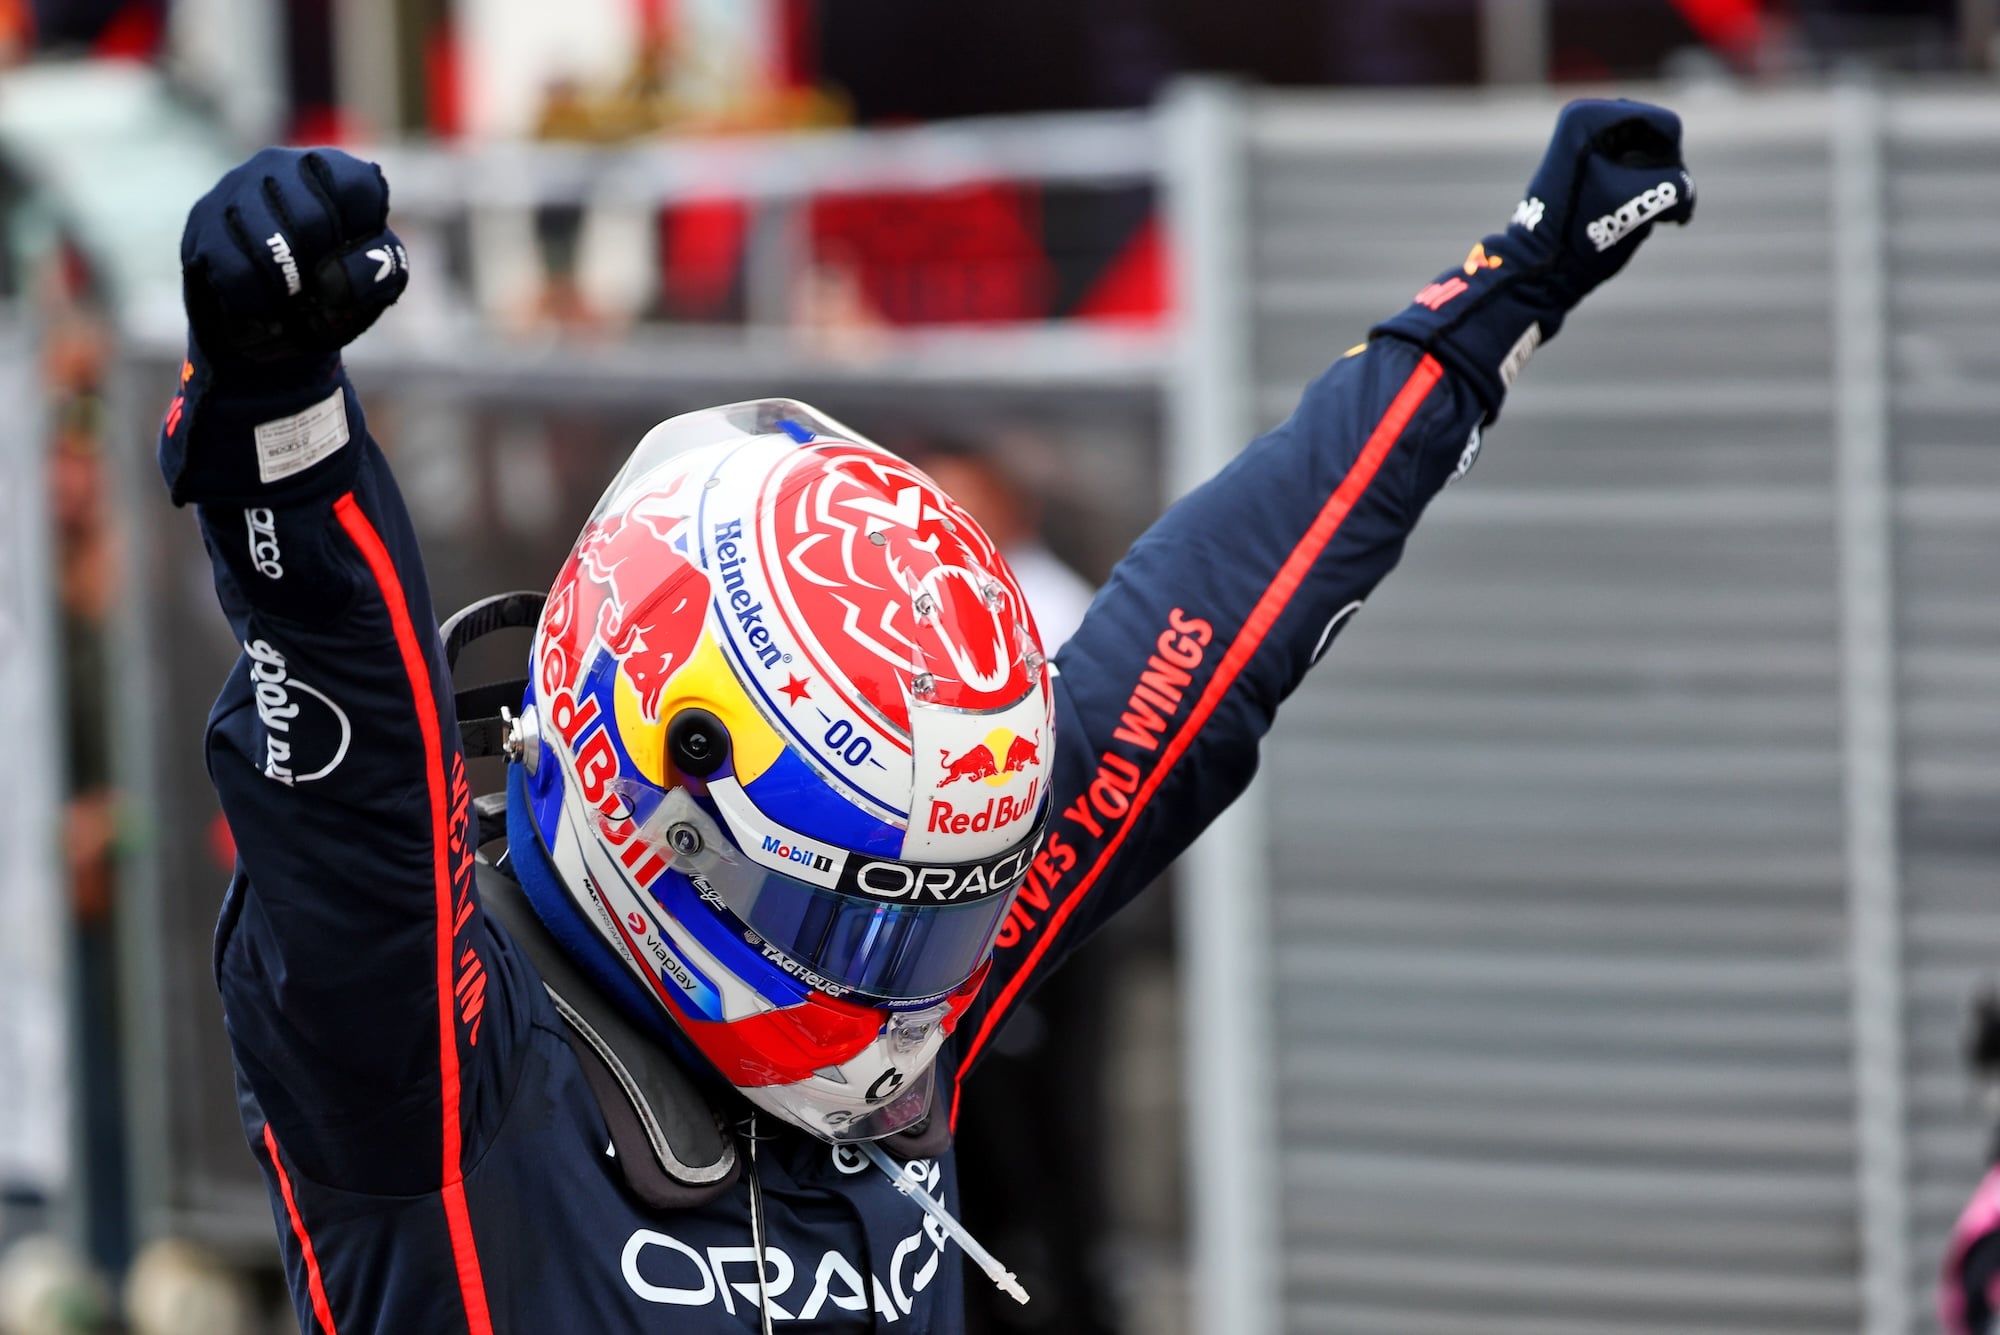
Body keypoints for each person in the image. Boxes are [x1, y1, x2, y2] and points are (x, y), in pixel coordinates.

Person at [160, 101, 1693, 1333]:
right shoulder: (433, 1070)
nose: (902, 998)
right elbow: (347, 788)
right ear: (661, 798)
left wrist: (1490, 309)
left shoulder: (900, 909)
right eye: (850, 912)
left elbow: (1213, 638)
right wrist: (276, 420)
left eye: (935, 922)